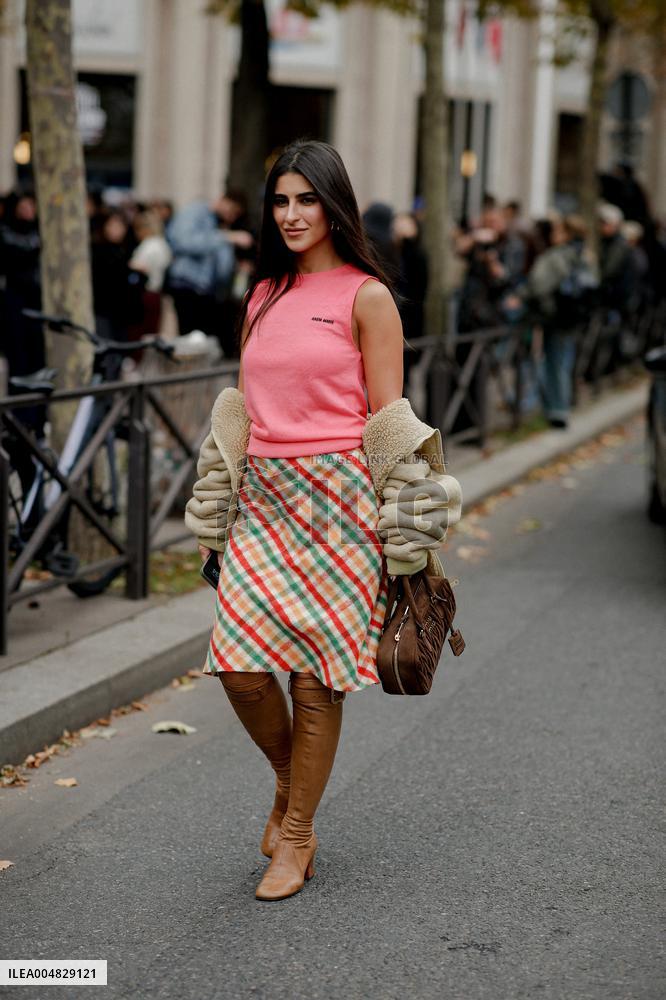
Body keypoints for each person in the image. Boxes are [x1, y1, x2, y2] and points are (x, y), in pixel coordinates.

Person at [184, 139, 462, 902]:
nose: (292, 213)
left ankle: (298, 834)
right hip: (265, 502)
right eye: (280, 200)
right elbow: (245, 408)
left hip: (339, 504)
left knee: (314, 679)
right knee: (238, 665)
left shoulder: (367, 297)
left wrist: (406, 533)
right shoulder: (262, 295)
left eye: (307, 199)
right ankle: (289, 780)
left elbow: (388, 423)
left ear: (334, 205)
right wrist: (221, 503)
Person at [166, 194, 254, 340]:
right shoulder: (196, 212)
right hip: (187, 285)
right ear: (224, 200)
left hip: (206, 291)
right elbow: (183, 242)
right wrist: (228, 236)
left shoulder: (218, 223)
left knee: (203, 340)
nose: (231, 217)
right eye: (232, 211)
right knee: (191, 340)